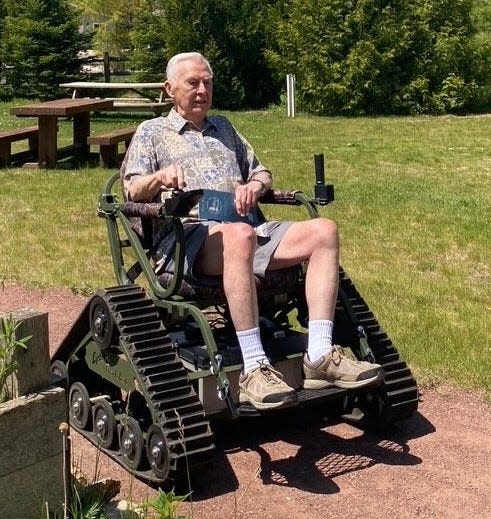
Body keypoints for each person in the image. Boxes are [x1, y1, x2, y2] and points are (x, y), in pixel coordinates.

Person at [122, 51, 383, 411]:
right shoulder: (152, 133)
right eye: (192, 83)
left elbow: (262, 172)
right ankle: (253, 367)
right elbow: (132, 190)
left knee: (324, 230)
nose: (202, 90)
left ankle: (320, 354)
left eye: (207, 83)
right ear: (170, 89)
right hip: (188, 243)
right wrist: (159, 177)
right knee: (240, 236)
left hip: (246, 229)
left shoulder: (225, 128)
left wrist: (254, 188)